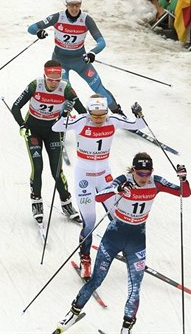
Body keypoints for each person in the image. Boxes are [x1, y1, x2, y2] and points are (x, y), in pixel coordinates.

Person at [55, 153, 191, 334]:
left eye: (147, 173)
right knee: (96, 280)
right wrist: (118, 190)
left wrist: (183, 180)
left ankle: (126, 329)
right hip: (113, 237)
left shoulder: (156, 182)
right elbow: (99, 197)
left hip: (137, 242)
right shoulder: (123, 180)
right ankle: (71, 315)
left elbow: (184, 193)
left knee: (135, 288)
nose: (144, 178)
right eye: (140, 173)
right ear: (133, 170)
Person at [51, 95, 146, 279]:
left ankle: (128, 252)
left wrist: (139, 114)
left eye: (102, 115)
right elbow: (56, 127)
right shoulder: (80, 121)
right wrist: (64, 113)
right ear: (88, 112)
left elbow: (139, 125)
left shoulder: (113, 120)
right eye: (95, 115)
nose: (99, 119)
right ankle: (85, 259)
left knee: (117, 217)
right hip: (84, 177)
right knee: (90, 222)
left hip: (104, 176)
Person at [10, 60, 87, 224]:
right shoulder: (35, 85)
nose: (53, 83)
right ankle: (36, 202)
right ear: (44, 76)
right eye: (50, 79)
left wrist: (70, 115)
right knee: (37, 167)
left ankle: (66, 204)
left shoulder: (65, 88)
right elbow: (15, 107)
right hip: (33, 130)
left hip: (54, 131)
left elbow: (82, 112)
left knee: (56, 170)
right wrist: (22, 126)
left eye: (57, 80)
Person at [27, 0, 124, 115]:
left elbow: (101, 42)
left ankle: (118, 113)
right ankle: (63, 119)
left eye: (77, 5)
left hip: (81, 61)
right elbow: (31, 28)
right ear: (66, 5)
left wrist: (92, 53)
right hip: (60, 62)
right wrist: (39, 31)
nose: (74, 9)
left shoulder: (86, 19)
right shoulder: (57, 17)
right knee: (65, 92)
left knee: (98, 88)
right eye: (71, 5)